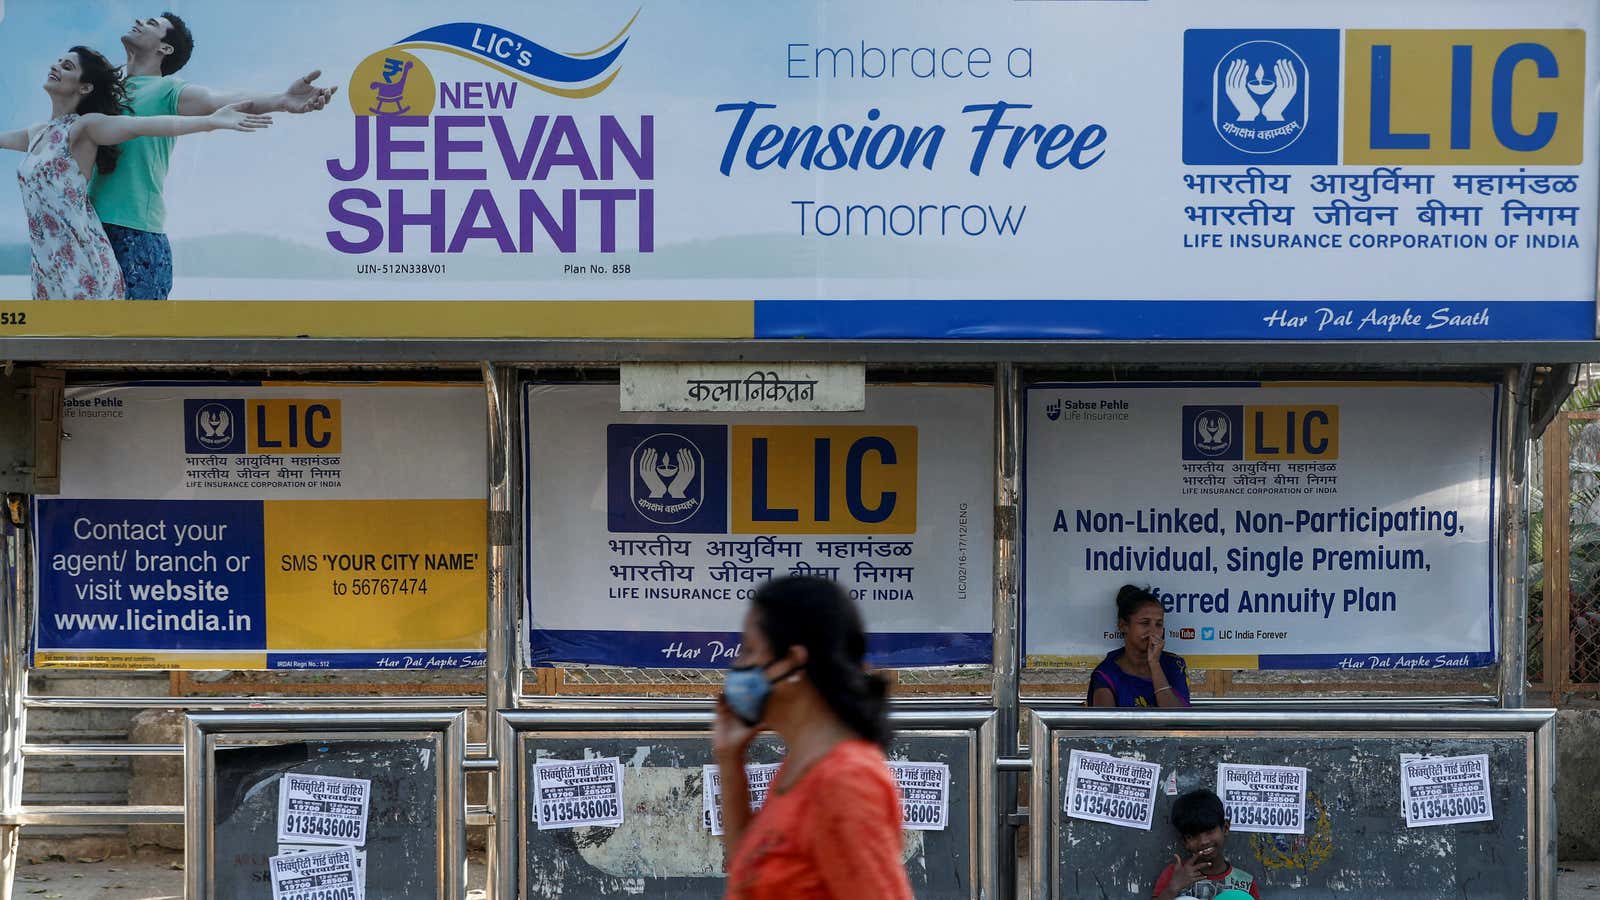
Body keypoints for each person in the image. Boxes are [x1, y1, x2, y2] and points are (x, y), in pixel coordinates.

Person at [90, 13, 337, 299]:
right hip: (84, 227)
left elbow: (217, 100)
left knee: (134, 339)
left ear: (164, 49)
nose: (140, 21)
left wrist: (281, 100)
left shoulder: (167, 90)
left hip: (133, 233)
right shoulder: (103, 87)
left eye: (153, 24)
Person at [1, 48, 271, 299]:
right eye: (58, 62)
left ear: (85, 87)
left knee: (89, 349)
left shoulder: (85, 128)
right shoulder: (38, 133)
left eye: (67, 66)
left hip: (84, 266)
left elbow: (141, 126)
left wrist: (209, 122)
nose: (56, 66)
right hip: (46, 267)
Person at [713, 576, 912, 900]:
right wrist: (729, 758)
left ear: (792, 663)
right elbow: (751, 878)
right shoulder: (801, 767)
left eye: (749, 650)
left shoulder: (846, 780)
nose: (737, 666)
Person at [1088, 584, 1191, 708]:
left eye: (1158, 624)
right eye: (1144, 623)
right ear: (1123, 626)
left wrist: (1154, 665)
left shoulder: (1173, 665)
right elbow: (1106, 726)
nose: (1153, 631)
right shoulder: (1107, 674)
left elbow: (1179, 719)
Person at [1151, 789, 1261, 900]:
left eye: (1209, 831)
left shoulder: (1244, 883)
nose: (1203, 841)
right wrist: (1173, 887)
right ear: (1184, 842)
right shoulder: (1175, 874)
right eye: (1192, 836)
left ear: (1226, 828)